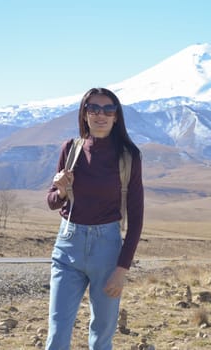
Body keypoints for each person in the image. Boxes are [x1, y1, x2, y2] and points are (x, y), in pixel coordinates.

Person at [45, 87, 144, 349]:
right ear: (84, 113)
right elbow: (52, 201)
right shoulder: (71, 149)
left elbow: (136, 218)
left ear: (116, 116)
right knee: (57, 333)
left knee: (101, 335)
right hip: (67, 245)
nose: (101, 115)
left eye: (108, 109)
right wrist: (62, 191)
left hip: (108, 250)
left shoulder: (128, 157)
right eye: (94, 109)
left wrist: (121, 270)